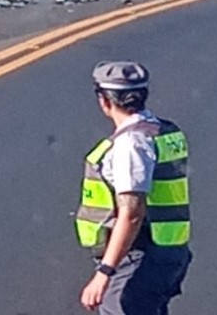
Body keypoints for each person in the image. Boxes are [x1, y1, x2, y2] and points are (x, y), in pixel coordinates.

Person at [76, 61, 192, 315]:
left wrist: (105, 272)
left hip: (139, 257)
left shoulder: (131, 144)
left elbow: (132, 212)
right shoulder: (163, 131)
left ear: (104, 101)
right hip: (167, 252)